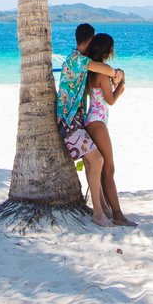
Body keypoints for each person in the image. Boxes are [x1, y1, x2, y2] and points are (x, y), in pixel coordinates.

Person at [56, 23, 125, 226]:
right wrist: (118, 75)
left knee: (93, 162)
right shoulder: (78, 60)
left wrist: (115, 73)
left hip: (75, 119)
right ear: (89, 40)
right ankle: (98, 214)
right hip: (69, 122)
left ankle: (102, 207)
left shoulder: (77, 59)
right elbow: (106, 70)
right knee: (97, 161)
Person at [82, 32, 134, 226]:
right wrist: (120, 88)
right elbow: (110, 100)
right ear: (108, 50)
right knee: (109, 169)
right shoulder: (102, 73)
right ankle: (118, 215)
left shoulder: (92, 70)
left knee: (104, 168)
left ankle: (110, 210)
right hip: (98, 122)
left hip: (93, 120)